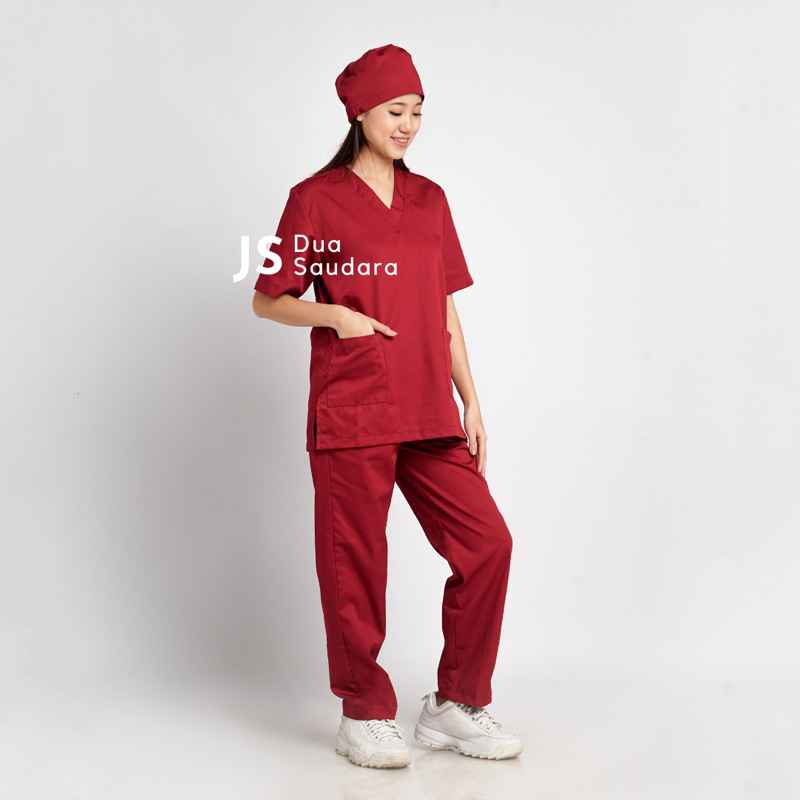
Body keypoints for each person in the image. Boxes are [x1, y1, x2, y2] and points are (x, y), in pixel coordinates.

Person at [252, 43, 523, 768]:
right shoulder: (314, 198)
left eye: (418, 113)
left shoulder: (430, 199)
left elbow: (443, 305)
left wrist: (472, 399)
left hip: (429, 408)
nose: (408, 125)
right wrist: (335, 316)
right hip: (354, 405)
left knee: (487, 544)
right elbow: (268, 299)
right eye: (395, 110)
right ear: (360, 113)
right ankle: (364, 712)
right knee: (356, 566)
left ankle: (455, 703)